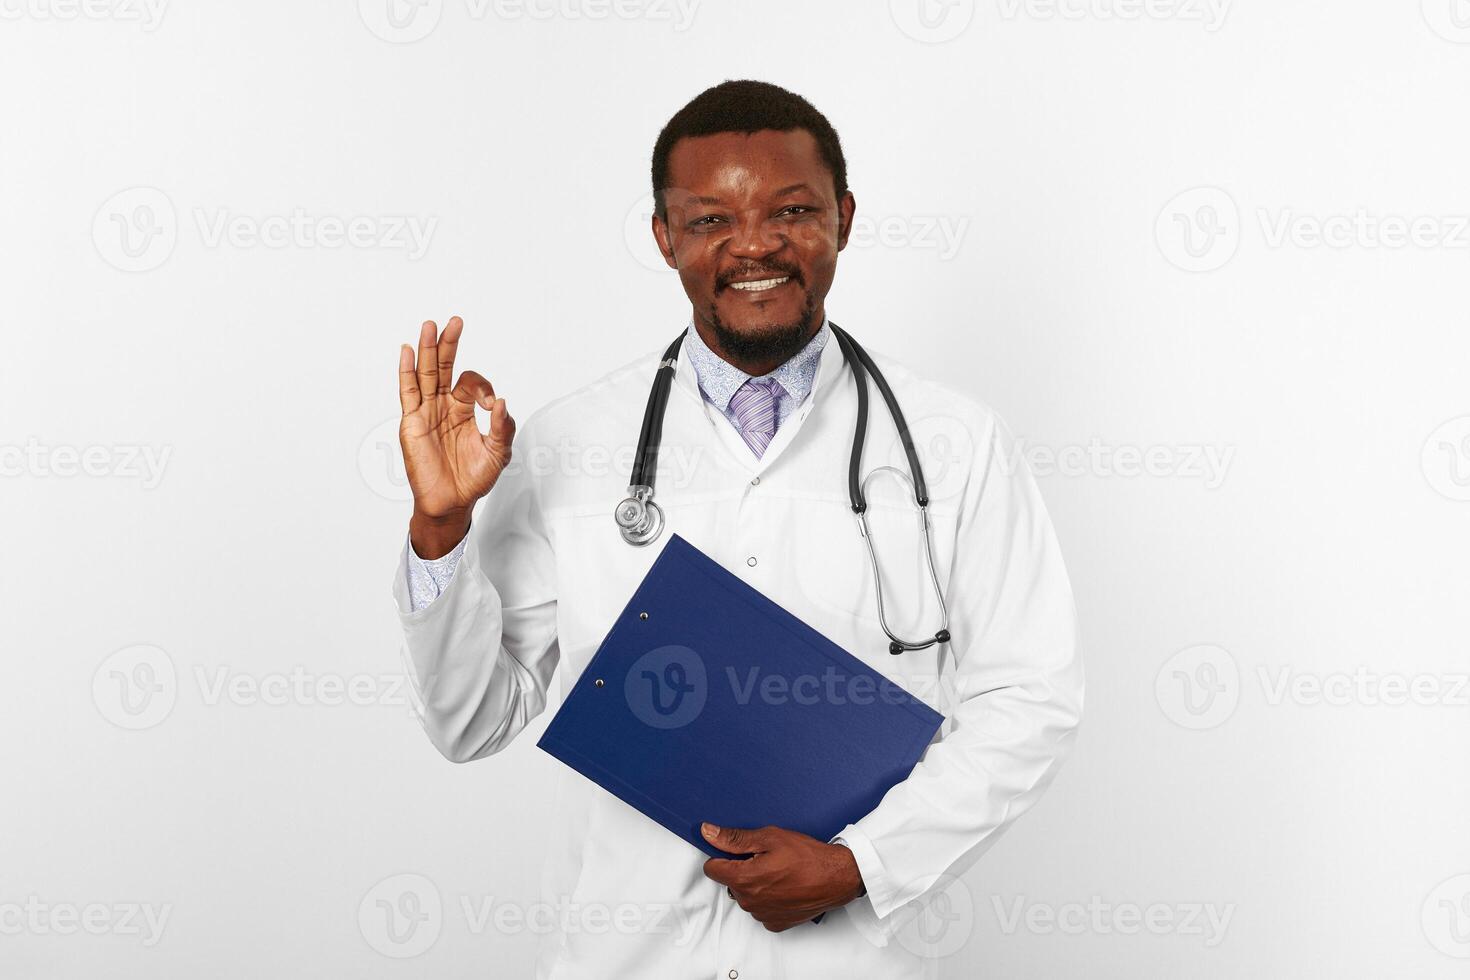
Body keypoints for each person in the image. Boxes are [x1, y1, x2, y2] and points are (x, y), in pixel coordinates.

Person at [391, 79, 1082, 979]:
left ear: (843, 217)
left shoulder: (954, 444)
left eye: (792, 210)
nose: (754, 245)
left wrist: (860, 864)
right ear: (664, 237)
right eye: (711, 219)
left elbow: (1030, 700)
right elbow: (470, 720)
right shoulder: (569, 443)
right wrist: (440, 529)